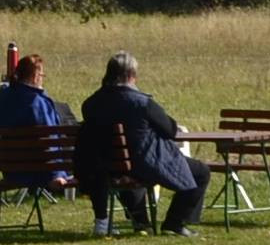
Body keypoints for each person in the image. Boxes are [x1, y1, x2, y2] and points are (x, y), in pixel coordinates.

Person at [79, 50, 207, 233]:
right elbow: (170, 130)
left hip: (106, 166)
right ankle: (175, 223)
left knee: (130, 167)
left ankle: (141, 221)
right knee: (201, 172)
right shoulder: (141, 103)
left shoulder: (90, 103)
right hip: (144, 163)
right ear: (131, 75)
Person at [0, 51, 74, 192]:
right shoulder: (38, 102)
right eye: (42, 76)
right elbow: (50, 141)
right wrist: (56, 174)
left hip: (12, 172)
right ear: (35, 76)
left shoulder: (3, 99)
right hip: (43, 172)